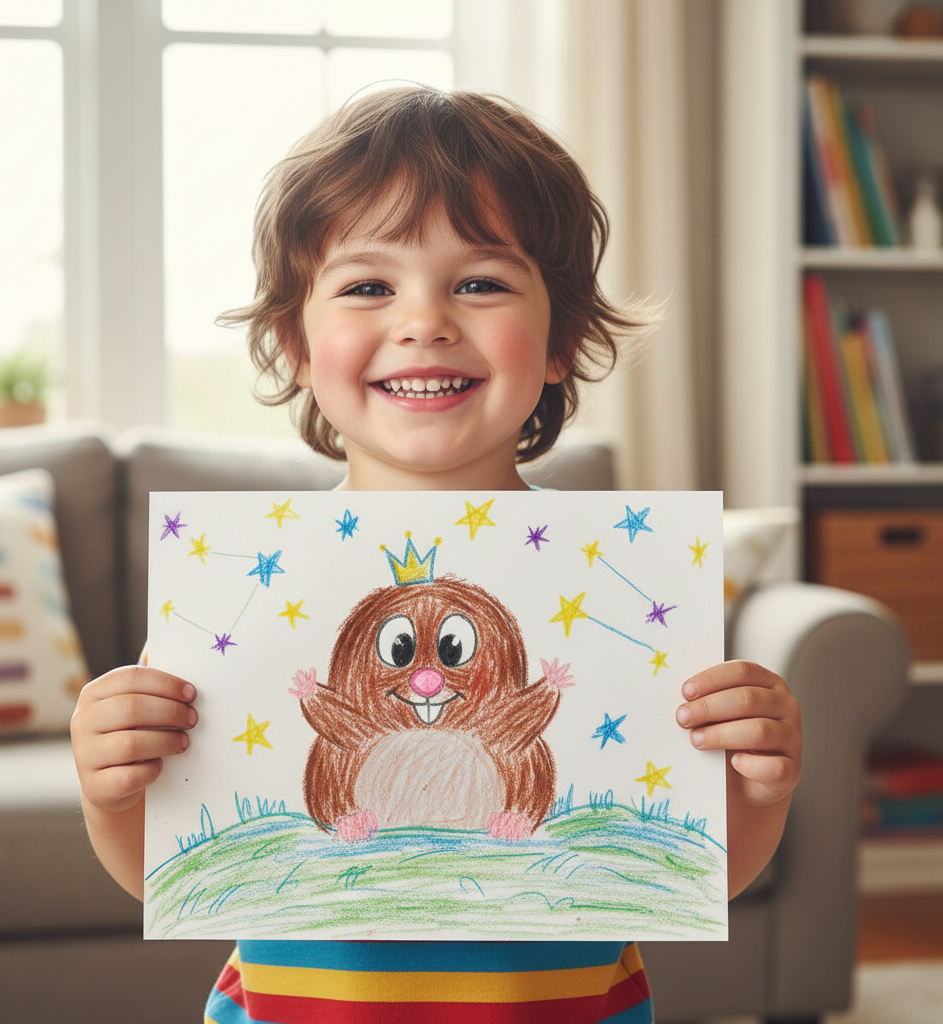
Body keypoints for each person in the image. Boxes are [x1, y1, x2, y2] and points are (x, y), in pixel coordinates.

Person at [71, 86, 802, 1024]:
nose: (424, 321)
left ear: (561, 341)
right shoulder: (229, 597)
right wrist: (110, 793)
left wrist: (760, 788)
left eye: (481, 283)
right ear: (297, 345)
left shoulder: (626, 591)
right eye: (368, 286)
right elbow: (167, 876)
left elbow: (702, 876)